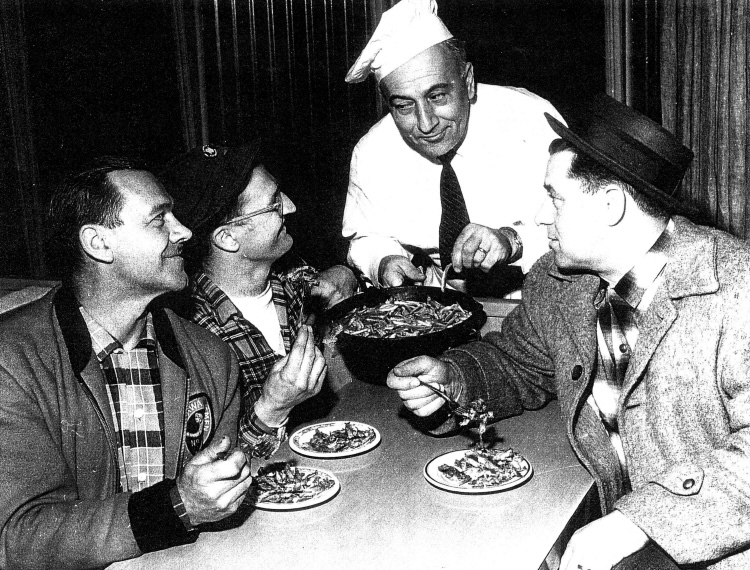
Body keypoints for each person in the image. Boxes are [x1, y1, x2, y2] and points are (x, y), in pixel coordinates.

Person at [386, 94, 750, 570]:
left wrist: (641, 522)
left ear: (611, 205)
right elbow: (516, 363)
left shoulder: (737, 288)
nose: (540, 215)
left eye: (554, 197)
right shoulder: (558, 284)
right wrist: (453, 378)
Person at [0, 158, 252, 569]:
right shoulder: (11, 361)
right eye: (159, 219)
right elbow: (16, 539)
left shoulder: (212, 356)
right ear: (98, 243)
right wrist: (175, 507)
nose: (184, 231)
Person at [342, 0, 563, 296]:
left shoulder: (531, 119)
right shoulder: (373, 152)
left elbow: (587, 228)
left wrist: (513, 241)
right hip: (440, 301)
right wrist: (383, 262)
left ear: (468, 82)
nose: (426, 124)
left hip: (539, 295)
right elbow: (367, 237)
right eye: (404, 106)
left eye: (437, 96)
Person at [159, 143, 358, 459]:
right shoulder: (194, 335)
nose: (290, 206)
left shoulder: (294, 279)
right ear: (228, 238)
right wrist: (273, 408)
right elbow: (211, 466)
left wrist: (347, 272)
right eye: (274, 203)